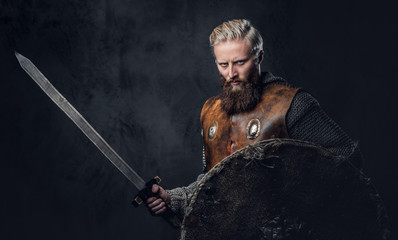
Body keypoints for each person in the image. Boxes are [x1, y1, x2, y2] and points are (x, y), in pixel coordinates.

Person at [145, 19, 362, 219]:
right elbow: (213, 182)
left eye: (240, 62)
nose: (231, 74)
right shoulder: (212, 112)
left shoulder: (291, 105)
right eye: (223, 65)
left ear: (259, 57)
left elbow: (347, 160)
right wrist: (174, 199)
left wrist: (293, 199)